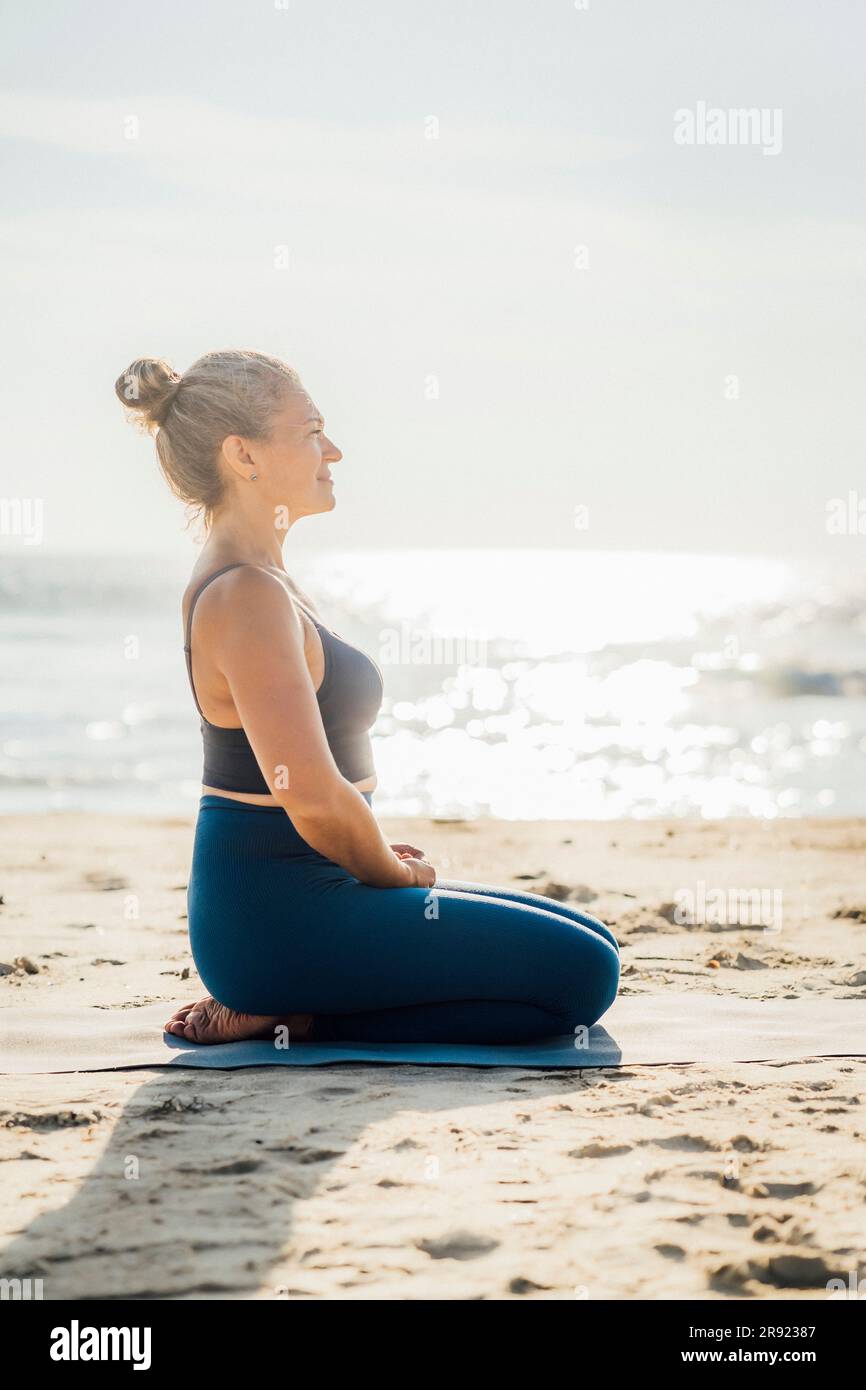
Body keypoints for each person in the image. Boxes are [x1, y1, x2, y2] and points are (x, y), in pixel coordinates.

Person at [114, 350, 619, 1046]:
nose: (334, 450)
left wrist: (372, 853)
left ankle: (300, 1004)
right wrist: (393, 871)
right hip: (277, 921)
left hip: (316, 891)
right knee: (583, 974)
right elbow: (313, 796)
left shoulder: (266, 578)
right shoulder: (245, 594)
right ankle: (301, 1010)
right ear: (244, 455)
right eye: (311, 430)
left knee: (587, 936)